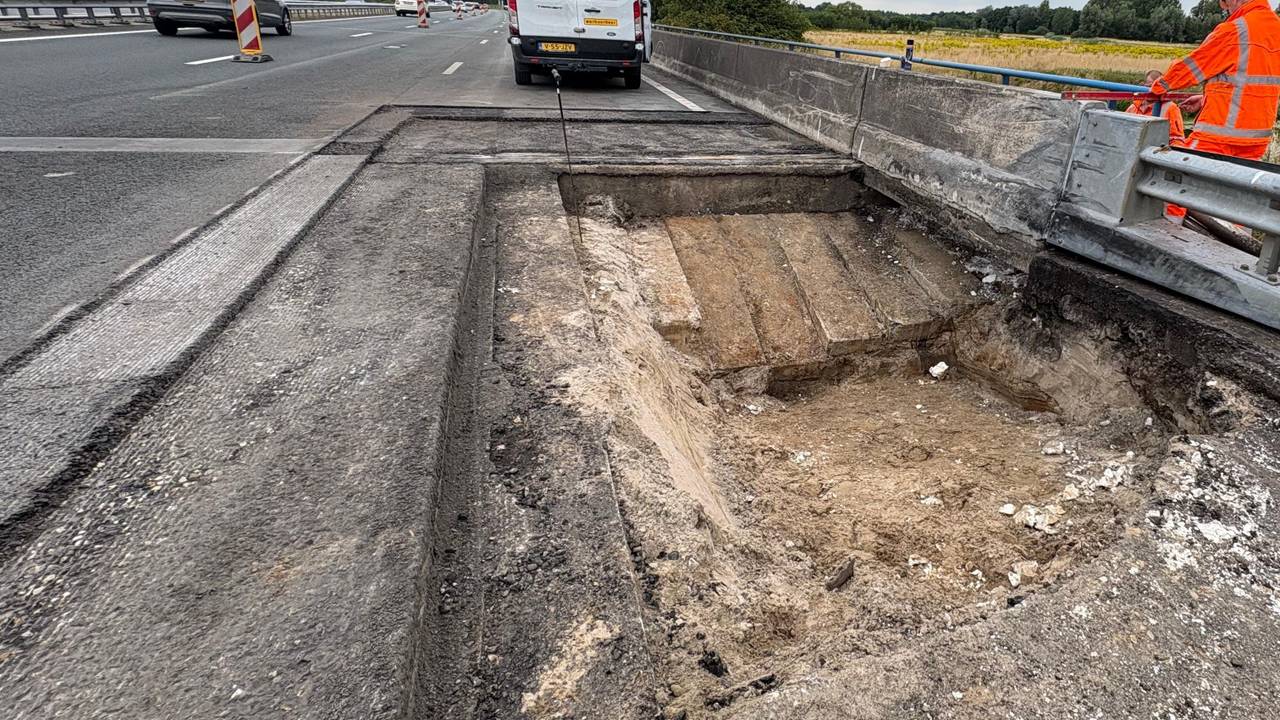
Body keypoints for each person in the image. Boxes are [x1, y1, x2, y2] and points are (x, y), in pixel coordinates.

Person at [1150, 0, 1280, 162]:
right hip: (1256, 139)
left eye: (1224, 2)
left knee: (1178, 174)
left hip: (1219, 137)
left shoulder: (1236, 30)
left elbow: (1192, 68)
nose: (1224, 7)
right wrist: (1206, 99)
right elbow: (1251, 83)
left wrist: (1157, 86)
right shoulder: (1276, 28)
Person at [1129, 70, 1186, 148]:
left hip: (1157, 151)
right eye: (1149, 87)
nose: (1152, 90)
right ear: (1144, 86)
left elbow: (1177, 139)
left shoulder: (1170, 108)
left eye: (1156, 87)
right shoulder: (1134, 106)